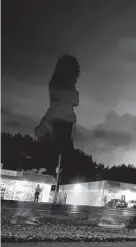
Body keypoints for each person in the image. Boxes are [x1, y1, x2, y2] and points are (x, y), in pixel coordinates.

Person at [35, 55, 80, 199]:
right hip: (60, 122)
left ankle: (52, 175)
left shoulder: (62, 84)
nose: (77, 75)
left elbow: (72, 100)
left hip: (63, 122)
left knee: (64, 156)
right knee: (65, 156)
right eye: (76, 71)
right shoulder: (59, 85)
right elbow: (72, 100)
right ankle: (49, 175)